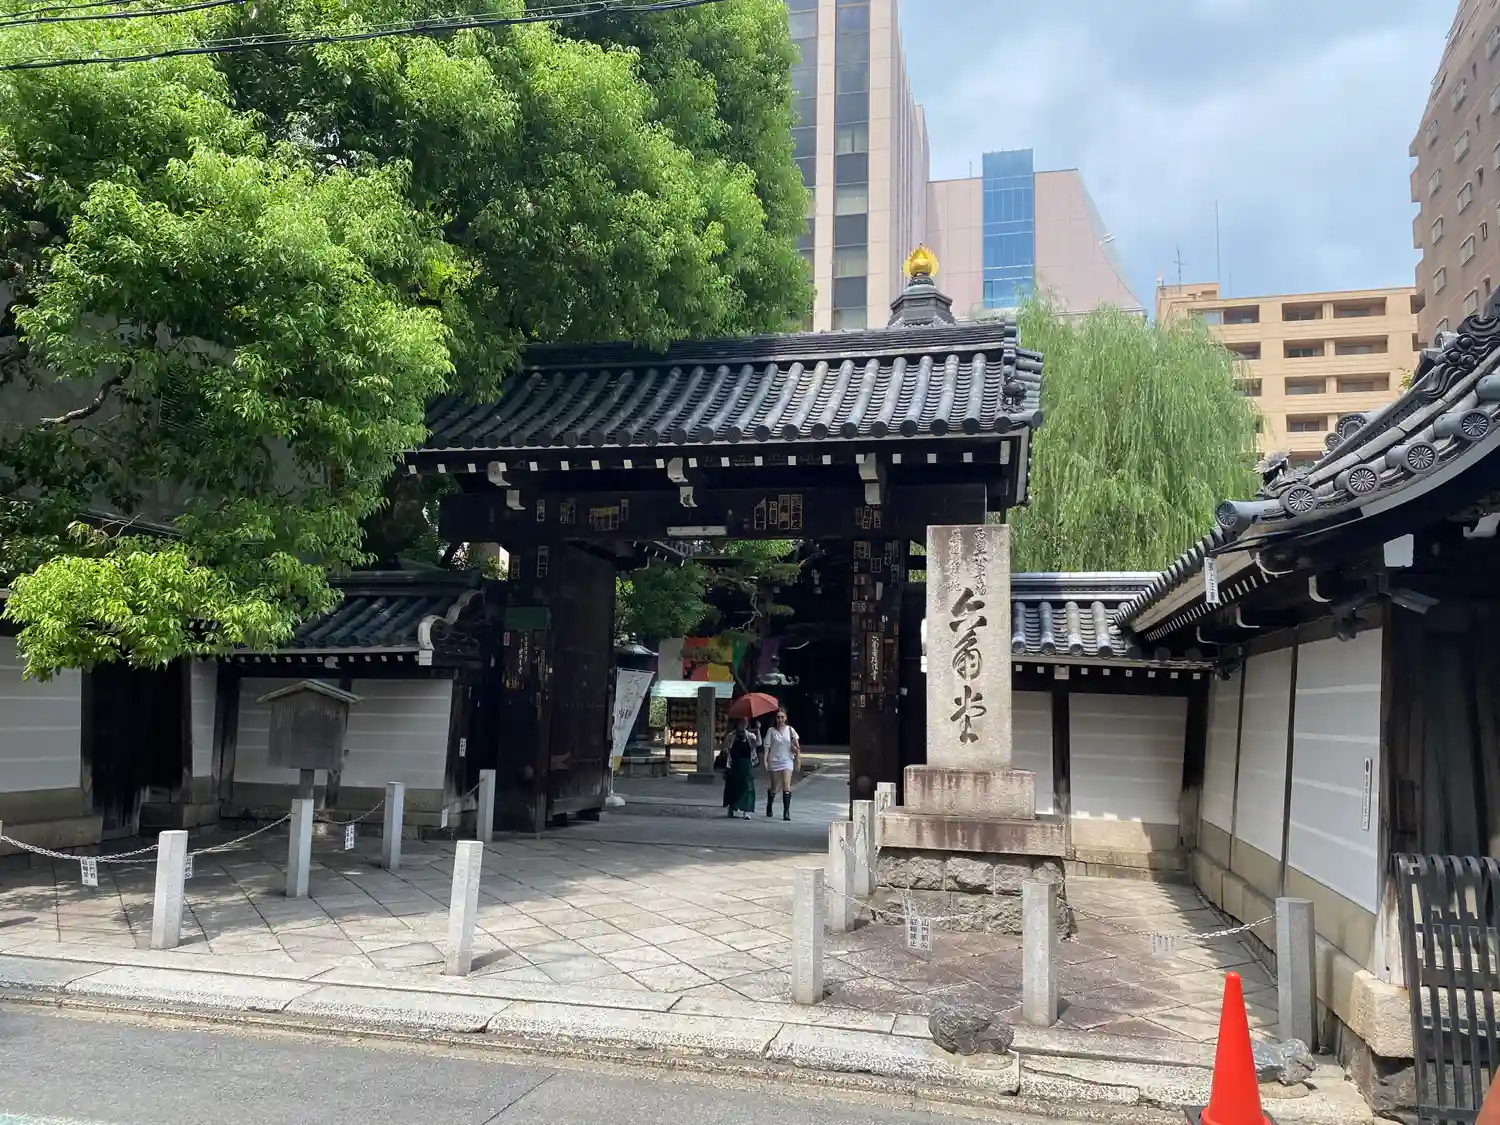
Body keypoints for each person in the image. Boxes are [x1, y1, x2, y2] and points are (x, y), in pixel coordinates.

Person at [762, 709, 800, 821]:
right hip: (774, 760)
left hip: (787, 760)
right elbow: (767, 747)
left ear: (786, 718)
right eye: (778, 717)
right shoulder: (771, 731)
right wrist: (765, 760)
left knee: (786, 785)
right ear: (775, 718)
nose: (780, 719)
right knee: (774, 787)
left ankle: (786, 811)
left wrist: (796, 752)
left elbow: (797, 745)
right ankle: (769, 804)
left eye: (782, 717)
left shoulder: (790, 730)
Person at [721, 716, 759, 819]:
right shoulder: (731, 735)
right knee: (732, 787)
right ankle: (731, 808)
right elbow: (724, 747)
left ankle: (746, 811)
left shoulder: (750, 735)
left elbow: (757, 744)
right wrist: (726, 750)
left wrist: (758, 730)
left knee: (747, 787)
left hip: (747, 764)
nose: (743, 724)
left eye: (745, 722)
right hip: (734, 764)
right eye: (742, 722)